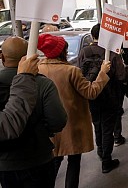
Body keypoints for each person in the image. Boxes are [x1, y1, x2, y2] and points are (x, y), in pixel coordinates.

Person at [37, 33, 111, 187]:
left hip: (48, 126)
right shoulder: (71, 71)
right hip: (72, 125)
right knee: (73, 162)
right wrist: (103, 72)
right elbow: (91, 92)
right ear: (62, 51)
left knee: (54, 162)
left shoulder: (37, 70)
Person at [0, 37, 67, 188]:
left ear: (2, 56)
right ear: (28, 58)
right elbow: (58, 120)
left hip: (6, 163)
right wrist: (44, 131)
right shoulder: (43, 83)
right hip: (39, 157)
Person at [77, 24, 128, 173]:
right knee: (108, 127)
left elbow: (80, 73)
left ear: (92, 36)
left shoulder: (84, 52)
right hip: (110, 95)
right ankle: (106, 160)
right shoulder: (111, 53)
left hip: (91, 96)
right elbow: (122, 76)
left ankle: (101, 152)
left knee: (97, 125)